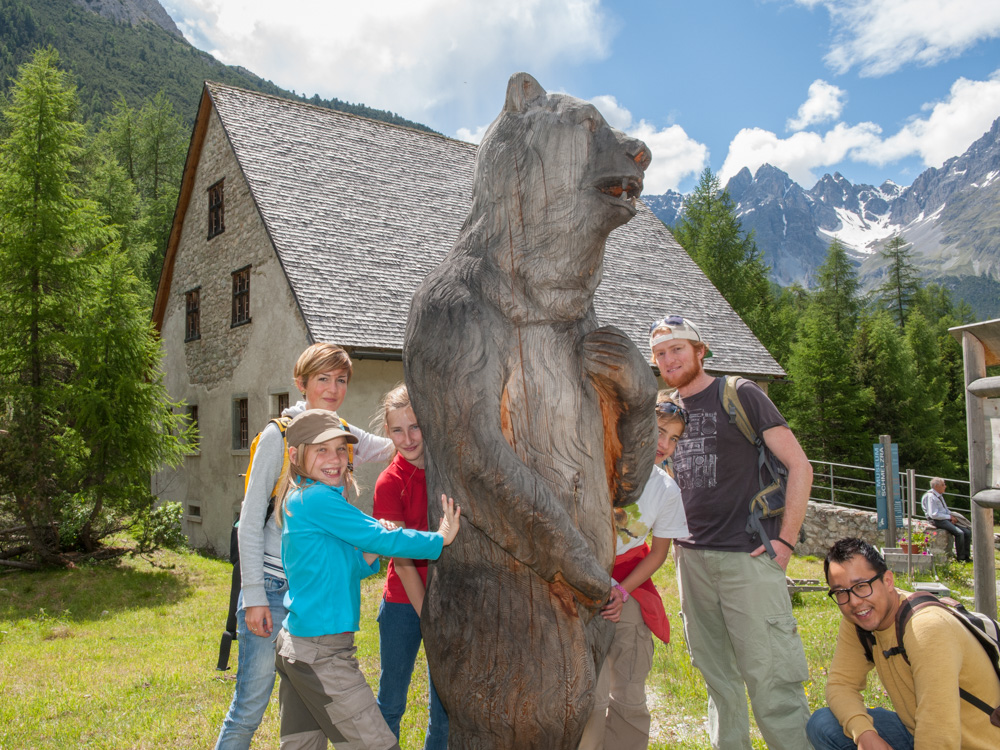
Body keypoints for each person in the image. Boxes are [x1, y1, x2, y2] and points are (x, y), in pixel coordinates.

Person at [214, 343, 392, 750]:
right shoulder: (281, 435)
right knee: (249, 707)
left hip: (308, 598)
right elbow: (249, 520)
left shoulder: (341, 433)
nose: (332, 388)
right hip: (273, 589)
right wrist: (255, 596)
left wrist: (415, 425)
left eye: (341, 379)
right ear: (302, 383)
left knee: (303, 713)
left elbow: (392, 446)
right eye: (322, 378)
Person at [649, 314, 813, 750]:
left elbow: (800, 466)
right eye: (661, 354)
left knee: (772, 679)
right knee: (718, 679)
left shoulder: (740, 393)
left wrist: (785, 541)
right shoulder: (665, 411)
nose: (670, 359)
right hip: (691, 559)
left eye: (678, 349)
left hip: (749, 555)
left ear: (700, 351)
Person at [273, 409, 461, 749]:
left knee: (302, 745)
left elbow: (349, 567)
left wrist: (370, 555)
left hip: (297, 649)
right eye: (321, 450)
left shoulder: (301, 500)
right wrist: (439, 538)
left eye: (340, 450)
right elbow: (383, 537)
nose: (335, 460)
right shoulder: (317, 500)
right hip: (320, 654)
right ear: (294, 455)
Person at [807, 537, 1000, 750]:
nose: (853, 601)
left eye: (861, 586)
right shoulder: (860, 619)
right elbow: (841, 685)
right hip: (916, 730)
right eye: (841, 592)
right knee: (822, 724)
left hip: (968, 742)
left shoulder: (927, 628)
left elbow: (938, 731)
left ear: (888, 581)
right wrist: (864, 734)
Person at [579, 396, 690, 750]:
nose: (664, 444)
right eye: (659, 432)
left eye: (674, 439)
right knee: (589, 697)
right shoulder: (596, 466)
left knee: (629, 692)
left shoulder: (667, 490)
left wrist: (621, 592)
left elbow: (658, 554)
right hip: (580, 583)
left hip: (627, 587)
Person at [371, 384, 448, 749]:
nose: (408, 438)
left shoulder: (447, 471)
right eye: (398, 430)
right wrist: (427, 617)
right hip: (404, 604)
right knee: (391, 702)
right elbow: (400, 561)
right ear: (388, 432)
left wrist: (439, 613)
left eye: (415, 426)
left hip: (447, 600)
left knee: (445, 706)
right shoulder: (390, 483)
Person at [920, 477, 971, 562]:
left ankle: (967, 556)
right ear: (936, 486)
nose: (945, 486)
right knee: (959, 533)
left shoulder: (939, 495)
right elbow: (933, 515)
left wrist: (952, 517)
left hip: (945, 518)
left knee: (967, 531)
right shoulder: (931, 496)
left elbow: (945, 510)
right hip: (937, 520)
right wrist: (949, 517)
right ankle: (961, 558)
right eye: (943, 485)